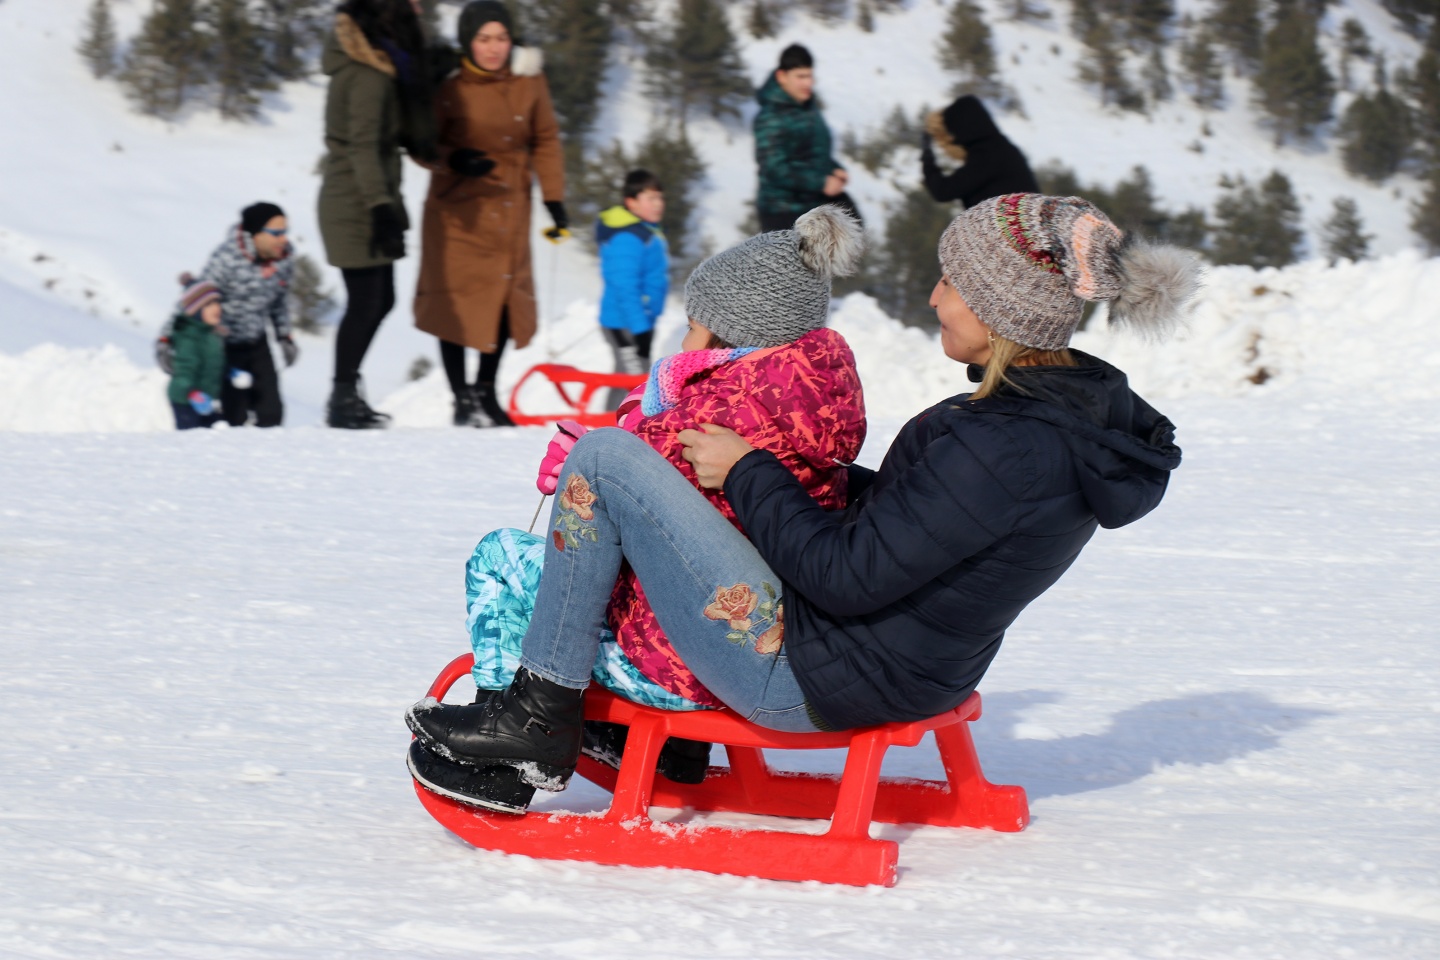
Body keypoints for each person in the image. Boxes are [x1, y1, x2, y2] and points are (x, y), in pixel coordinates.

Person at [404, 193, 1201, 816]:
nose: (933, 298)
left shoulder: (1003, 447)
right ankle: (592, 726)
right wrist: (798, 474)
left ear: (1001, 307)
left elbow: (846, 576)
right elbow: (913, 528)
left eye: (952, 282)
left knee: (606, 456)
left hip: (814, 679)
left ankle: (538, 716)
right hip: (901, 666)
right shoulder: (1049, 420)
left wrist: (752, 469)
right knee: (630, 470)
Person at [443, 207, 868, 809]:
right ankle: (665, 750)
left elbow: (625, 482)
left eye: (695, 327)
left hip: (686, 667)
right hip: (754, 631)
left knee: (499, 557)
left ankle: (508, 743)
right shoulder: (809, 401)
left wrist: (580, 465)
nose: (685, 342)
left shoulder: (714, 413)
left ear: (732, 339)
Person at [413, 0, 567, 428]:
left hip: (509, 206)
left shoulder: (529, 81)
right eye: (484, 39)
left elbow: (546, 138)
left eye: (501, 38)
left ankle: (485, 389)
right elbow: (422, 144)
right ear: (468, 41)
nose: (494, 47)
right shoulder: (448, 86)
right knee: (455, 303)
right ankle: (460, 396)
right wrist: (454, 159)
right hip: (456, 210)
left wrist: (554, 198)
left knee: (500, 302)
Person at [318, 0, 437, 429]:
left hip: (365, 194)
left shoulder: (381, 65)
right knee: (368, 300)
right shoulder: (368, 76)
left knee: (377, 299)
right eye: (413, 3)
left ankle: (346, 392)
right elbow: (363, 147)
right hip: (355, 200)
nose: (420, 11)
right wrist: (381, 209)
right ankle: (342, 397)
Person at [157, 202, 299, 428]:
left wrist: (284, 336)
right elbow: (194, 297)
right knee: (234, 416)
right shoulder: (227, 258)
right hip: (225, 347)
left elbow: (279, 300)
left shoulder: (285, 258)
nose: (284, 239)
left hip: (257, 342)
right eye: (276, 233)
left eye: (285, 232)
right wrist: (166, 339)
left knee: (271, 412)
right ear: (255, 234)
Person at [753, 44, 855, 234]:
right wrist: (822, 183)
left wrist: (833, 168)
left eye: (810, 76)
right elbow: (774, 169)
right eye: (800, 77)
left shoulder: (807, 106)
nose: (808, 83)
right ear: (781, 77)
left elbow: (813, 151)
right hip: (784, 213)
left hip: (813, 206)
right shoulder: (770, 117)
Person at [596, 169, 669, 409]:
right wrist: (640, 329)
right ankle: (613, 426)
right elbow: (624, 285)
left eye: (660, 197)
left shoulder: (644, 231)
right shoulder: (628, 236)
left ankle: (613, 425)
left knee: (630, 376)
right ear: (631, 201)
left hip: (637, 321)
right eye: (651, 198)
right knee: (633, 379)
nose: (659, 204)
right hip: (624, 322)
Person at [921, 94, 1038, 208]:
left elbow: (943, 191)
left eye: (953, 132)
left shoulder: (988, 155)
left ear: (963, 127)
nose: (953, 139)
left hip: (1014, 225)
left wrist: (927, 157)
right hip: (1021, 224)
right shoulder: (999, 149)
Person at [165, 275, 226, 431]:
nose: (217, 308)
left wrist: (232, 372)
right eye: (210, 304)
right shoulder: (189, 338)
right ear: (196, 310)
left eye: (218, 302)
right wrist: (192, 392)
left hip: (205, 399)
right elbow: (184, 369)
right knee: (191, 441)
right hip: (186, 401)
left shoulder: (211, 335)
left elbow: (214, 364)